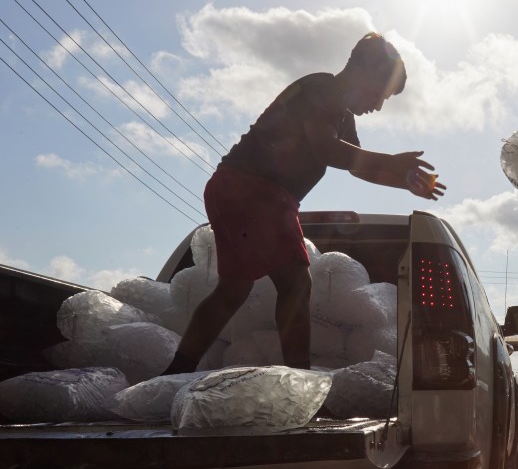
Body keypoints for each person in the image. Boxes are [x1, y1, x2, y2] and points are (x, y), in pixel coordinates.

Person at [162, 32, 444, 375]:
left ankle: (176, 370)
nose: (377, 106)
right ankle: (300, 377)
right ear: (362, 70)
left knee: (233, 290)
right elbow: (327, 150)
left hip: (234, 188)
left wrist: (404, 179)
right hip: (256, 190)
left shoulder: (342, 115)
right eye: (377, 93)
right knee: (296, 283)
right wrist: (392, 162)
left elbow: (356, 165)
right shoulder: (321, 89)